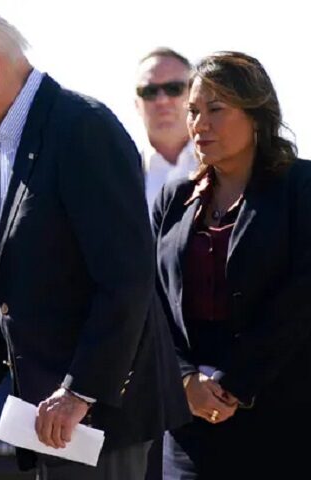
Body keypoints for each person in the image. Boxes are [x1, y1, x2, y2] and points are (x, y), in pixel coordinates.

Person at [0, 6, 190, 479]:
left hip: (102, 426)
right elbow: (2, 297)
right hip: (53, 428)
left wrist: (79, 391)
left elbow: (126, 278)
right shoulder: (3, 152)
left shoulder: (82, 128)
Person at [153, 51, 311, 479]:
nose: (199, 124)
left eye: (215, 110)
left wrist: (234, 384)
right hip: (190, 427)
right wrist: (184, 381)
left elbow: (301, 303)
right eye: (193, 112)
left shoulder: (301, 188)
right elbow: (150, 302)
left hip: (281, 422)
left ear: (257, 114)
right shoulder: (174, 198)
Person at [135, 48, 198, 214]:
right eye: (149, 91)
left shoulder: (226, 166)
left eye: (174, 88)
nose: (162, 100)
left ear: (195, 96)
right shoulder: (119, 174)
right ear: (136, 104)